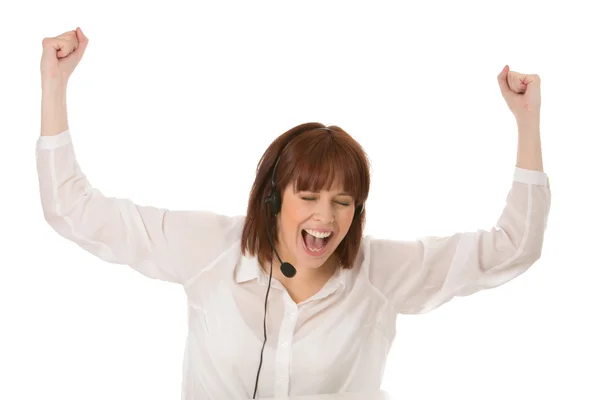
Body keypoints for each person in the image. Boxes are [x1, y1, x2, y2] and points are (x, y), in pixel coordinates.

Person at [37, 28, 551, 400]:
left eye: (343, 202)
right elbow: (72, 210)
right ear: (273, 196)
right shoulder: (206, 249)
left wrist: (528, 123)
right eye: (309, 196)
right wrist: (54, 85)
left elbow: (514, 247)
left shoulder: (383, 275)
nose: (325, 218)